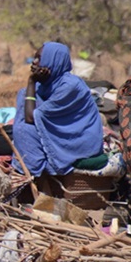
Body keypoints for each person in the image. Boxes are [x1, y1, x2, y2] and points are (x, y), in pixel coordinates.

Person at [12, 41, 103, 197]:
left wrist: (31, 81)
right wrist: (31, 86)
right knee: (24, 97)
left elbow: (30, 118)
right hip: (57, 134)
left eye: (39, 58)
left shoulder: (70, 86)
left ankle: (42, 187)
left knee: (24, 130)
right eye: (35, 58)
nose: (34, 63)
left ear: (53, 60)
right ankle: (40, 181)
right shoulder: (44, 86)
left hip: (77, 138)